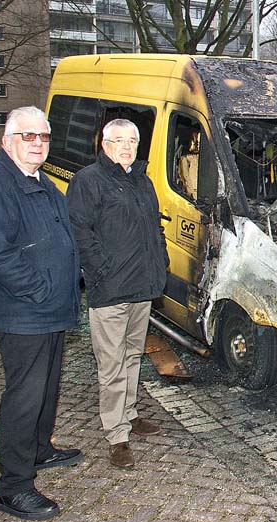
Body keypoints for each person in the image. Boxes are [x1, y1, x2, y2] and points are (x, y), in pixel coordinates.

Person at [0, 106, 81, 521]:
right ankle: (13, 487)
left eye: (43, 136)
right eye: (28, 136)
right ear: (7, 140)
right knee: (24, 396)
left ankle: (39, 449)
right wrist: (39, 290)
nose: (38, 143)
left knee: (48, 388)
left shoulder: (39, 180)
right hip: (25, 313)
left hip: (51, 311)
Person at [67, 119, 169, 469]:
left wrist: (161, 263)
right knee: (110, 365)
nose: (126, 147)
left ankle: (129, 413)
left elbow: (155, 227)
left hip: (141, 287)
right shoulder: (88, 181)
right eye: (119, 141)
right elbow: (80, 234)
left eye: (132, 141)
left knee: (131, 356)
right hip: (110, 291)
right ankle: (117, 435)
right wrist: (102, 272)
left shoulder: (142, 181)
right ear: (104, 144)